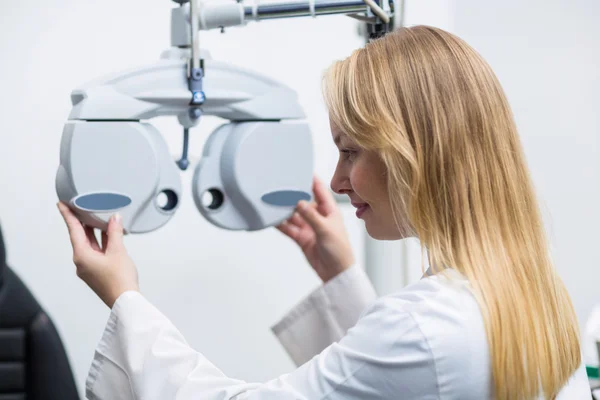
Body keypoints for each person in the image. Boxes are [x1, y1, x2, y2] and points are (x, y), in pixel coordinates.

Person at [57, 25, 591, 399]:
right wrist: (338, 275)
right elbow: (409, 379)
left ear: (412, 151)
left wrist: (124, 298)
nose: (337, 182)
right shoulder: (530, 293)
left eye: (351, 150)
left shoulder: (427, 327)